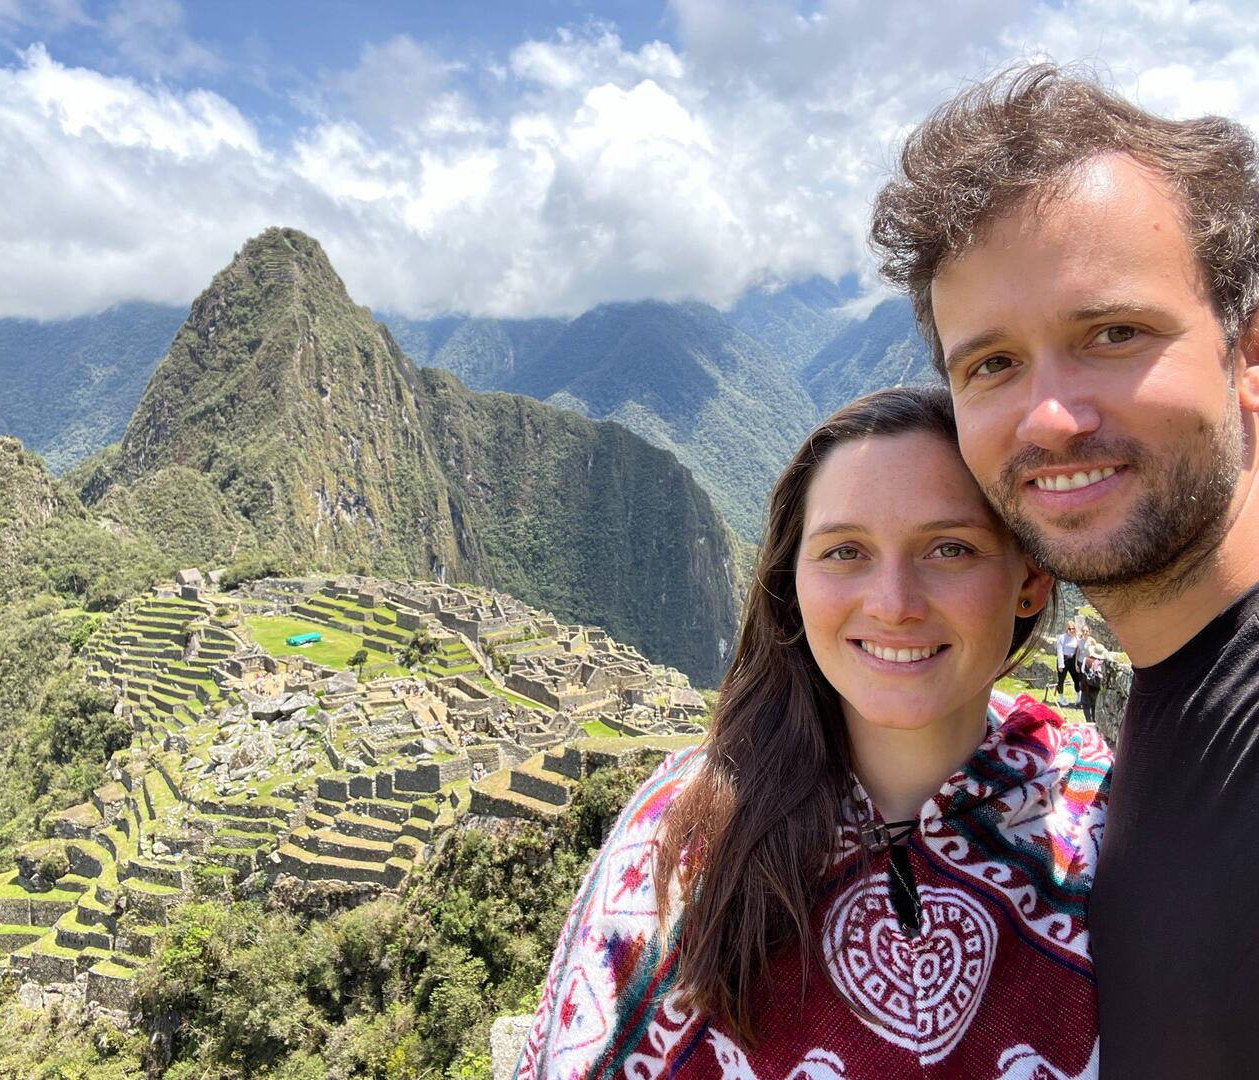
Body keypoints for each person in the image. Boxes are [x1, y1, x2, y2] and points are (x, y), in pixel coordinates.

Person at [516, 388, 1110, 1079]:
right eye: (845, 552)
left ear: (1030, 579)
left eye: (950, 549)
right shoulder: (678, 844)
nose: (893, 604)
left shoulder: (1109, 827)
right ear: (792, 582)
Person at [870, 64, 1259, 1078]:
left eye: (1113, 333)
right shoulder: (1155, 722)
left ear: (1247, 354)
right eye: (992, 364)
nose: (1050, 419)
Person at [1055, 619, 1081, 704]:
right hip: (1064, 659)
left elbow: (1079, 648)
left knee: (1076, 678)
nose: (1071, 630)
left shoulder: (1076, 638)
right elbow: (1059, 651)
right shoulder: (1062, 637)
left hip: (1073, 660)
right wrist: (1061, 664)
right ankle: (1061, 697)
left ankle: (1079, 696)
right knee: (1061, 679)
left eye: (1073, 628)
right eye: (1070, 628)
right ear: (1067, 629)